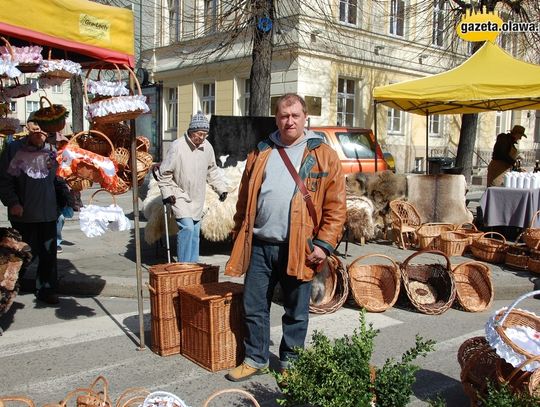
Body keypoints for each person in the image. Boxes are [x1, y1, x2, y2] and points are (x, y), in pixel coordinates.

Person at [224, 93, 347, 382]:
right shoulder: (262, 151)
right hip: (259, 245)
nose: (288, 121)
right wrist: (239, 229)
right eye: (283, 115)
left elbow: (336, 207)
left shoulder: (322, 154)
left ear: (305, 118)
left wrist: (324, 245)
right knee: (254, 306)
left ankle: (291, 363)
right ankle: (256, 357)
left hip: (299, 247)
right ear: (276, 118)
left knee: (296, 311)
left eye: (294, 115)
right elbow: (244, 198)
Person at [0, 121, 71, 305]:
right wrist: (13, 202)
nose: (40, 133)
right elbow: (4, 179)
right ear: (29, 129)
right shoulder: (14, 148)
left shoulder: (51, 150)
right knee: (22, 254)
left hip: (48, 212)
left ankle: (47, 290)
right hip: (23, 213)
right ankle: (9, 287)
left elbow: (57, 178)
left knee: (48, 255)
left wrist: (68, 198)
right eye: (36, 129)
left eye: (43, 130)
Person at [157, 111, 228, 263]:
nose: (201, 138)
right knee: (187, 228)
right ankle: (184, 265)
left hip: (197, 196)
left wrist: (221, 188)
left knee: (195, 232)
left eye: (204, 134)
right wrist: (167, 192)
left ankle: (192, 265)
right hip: (179, 194)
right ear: (191, 131)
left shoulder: (207, 147)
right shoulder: (177, 146)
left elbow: (212, 170)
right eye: (199, 133)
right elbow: (164, 173)